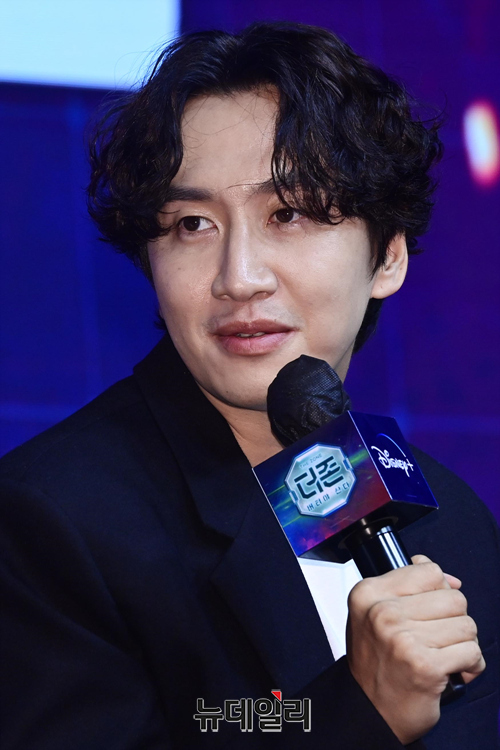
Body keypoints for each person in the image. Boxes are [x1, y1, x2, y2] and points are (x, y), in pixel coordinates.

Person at [0, 21, 499, 750]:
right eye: (191, 224)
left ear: (387, 257)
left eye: (287, 213)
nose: (238, 277)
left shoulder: (451, 516)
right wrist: (361, 711)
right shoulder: (52, 523)